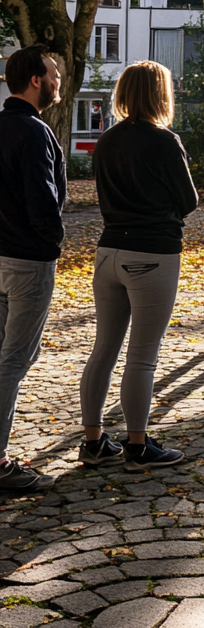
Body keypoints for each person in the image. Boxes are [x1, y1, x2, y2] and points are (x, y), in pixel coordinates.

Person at [79, 61, 198, 470]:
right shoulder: (165, 140)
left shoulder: (107, 139)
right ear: (160, 93)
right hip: (152, 253)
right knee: (143, 357)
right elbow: (189, 200)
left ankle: (93, 442)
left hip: (109, 250)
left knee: (103, 350)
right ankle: (137, 445)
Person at [0, 44, 65, 491]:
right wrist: (53, 243)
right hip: (27, 261)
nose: (59, 79)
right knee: (14, 359)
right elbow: (43, 200)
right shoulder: (34, 131)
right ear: (36, 80)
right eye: (54, 73)